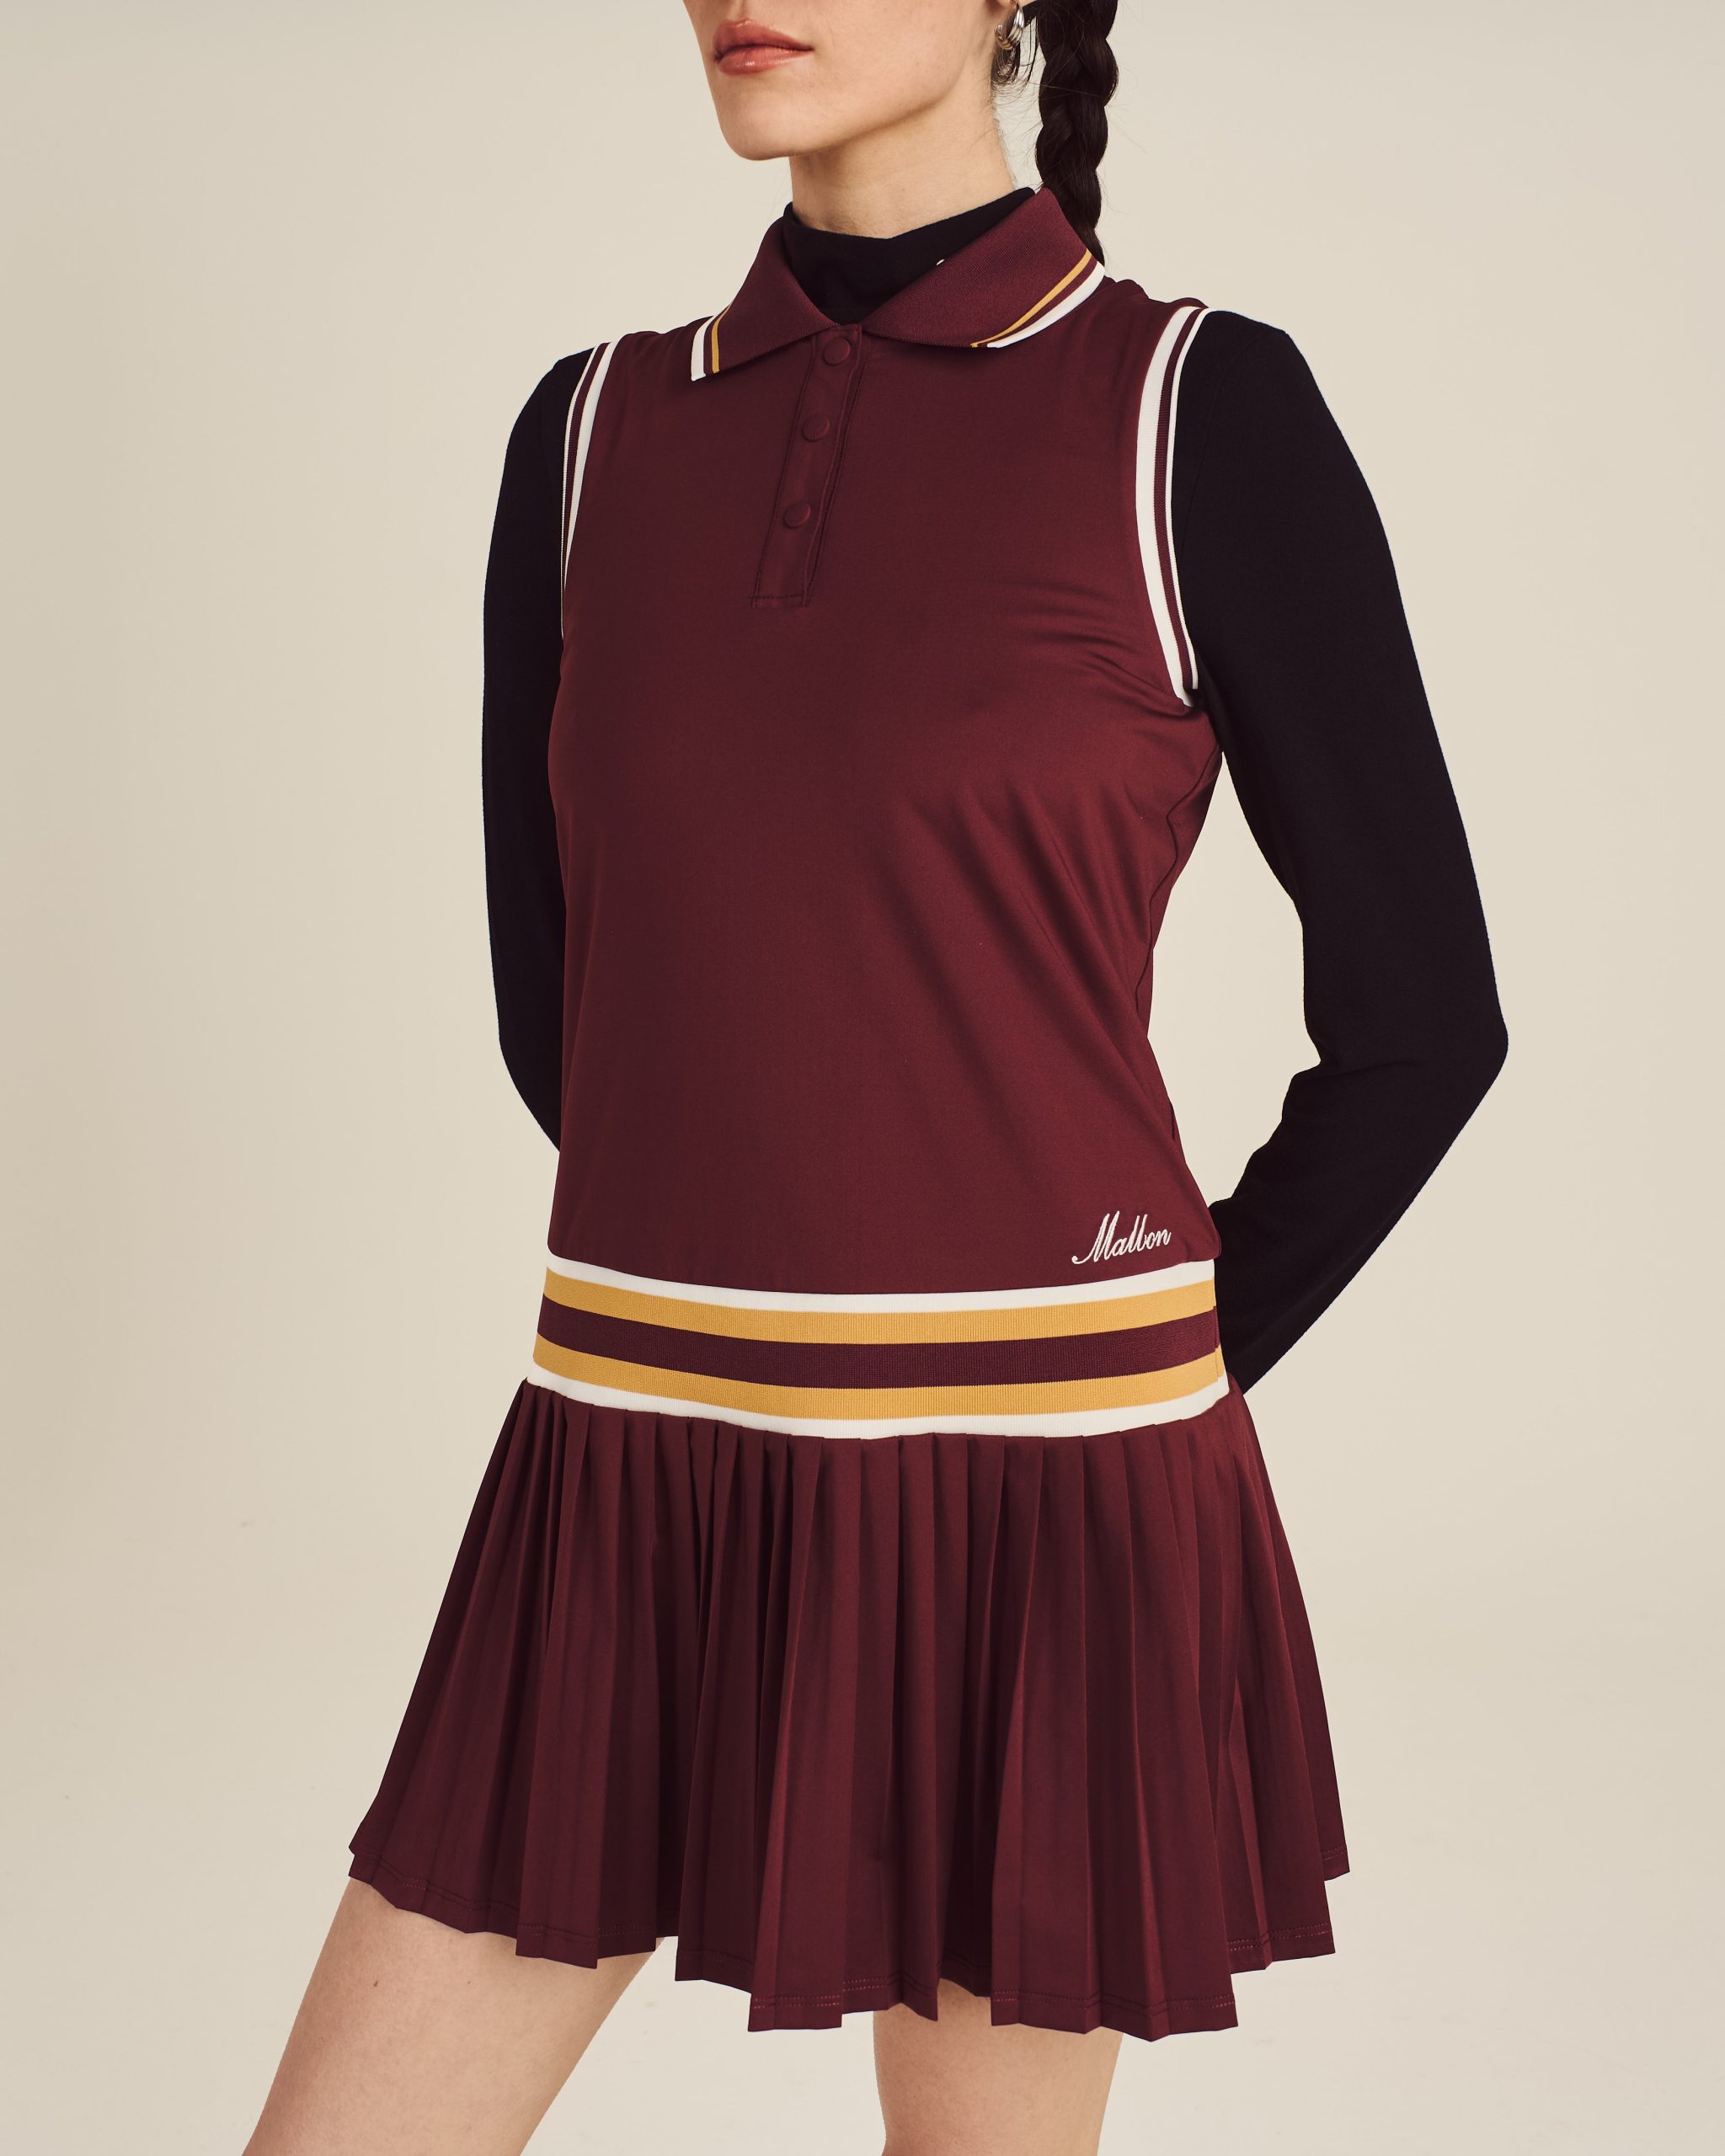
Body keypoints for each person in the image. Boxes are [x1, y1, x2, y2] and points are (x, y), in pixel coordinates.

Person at [244, 3, 1507, 2151]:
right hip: (624, 1465)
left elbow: (1420, 1021)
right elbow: (578, 1016)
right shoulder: (589, 433)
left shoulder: (1193, 408)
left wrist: (1142, 1357)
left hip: (1046, 1513)